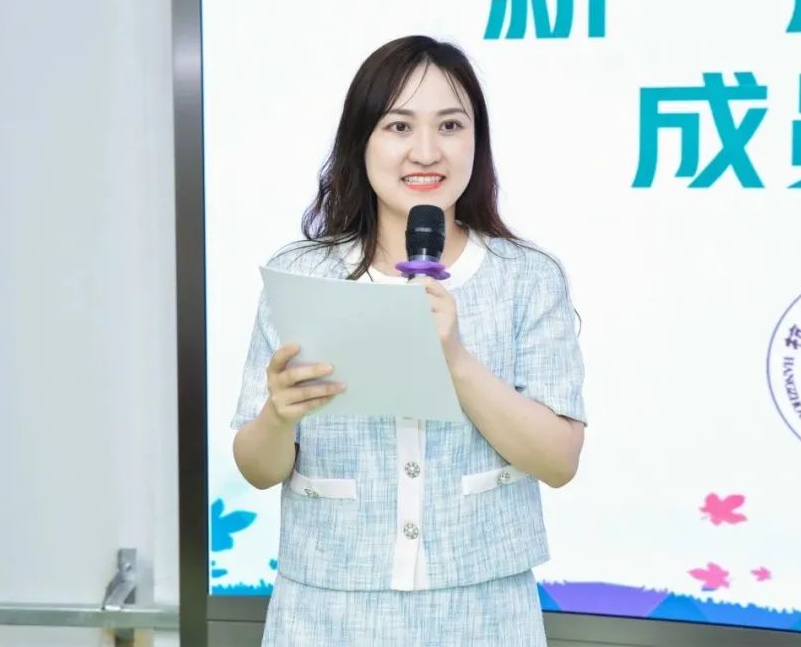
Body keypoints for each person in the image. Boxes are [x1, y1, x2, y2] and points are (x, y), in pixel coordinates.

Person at [231, 35, 586, 646]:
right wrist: (278, 417)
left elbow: (559, 462)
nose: (426, 151)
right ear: (361, 140)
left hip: (482, 614)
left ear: (477, 140)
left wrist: (455, 359)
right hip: (327, 614)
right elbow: (257, 469)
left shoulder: (527, 277)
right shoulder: (303, 276)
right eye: (399, 126)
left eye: (450, 125)